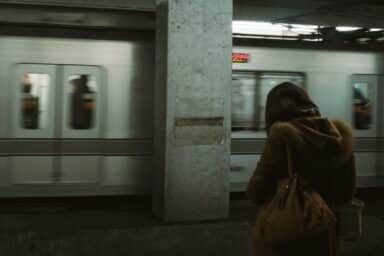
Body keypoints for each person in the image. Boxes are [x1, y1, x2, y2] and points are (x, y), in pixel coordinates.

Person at [247, 82, 356, 256]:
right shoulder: (338, 136)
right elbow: (346, 193)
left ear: (272, 112)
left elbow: (256, 191)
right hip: (325, 230)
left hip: (289, 232)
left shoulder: (281, 135)